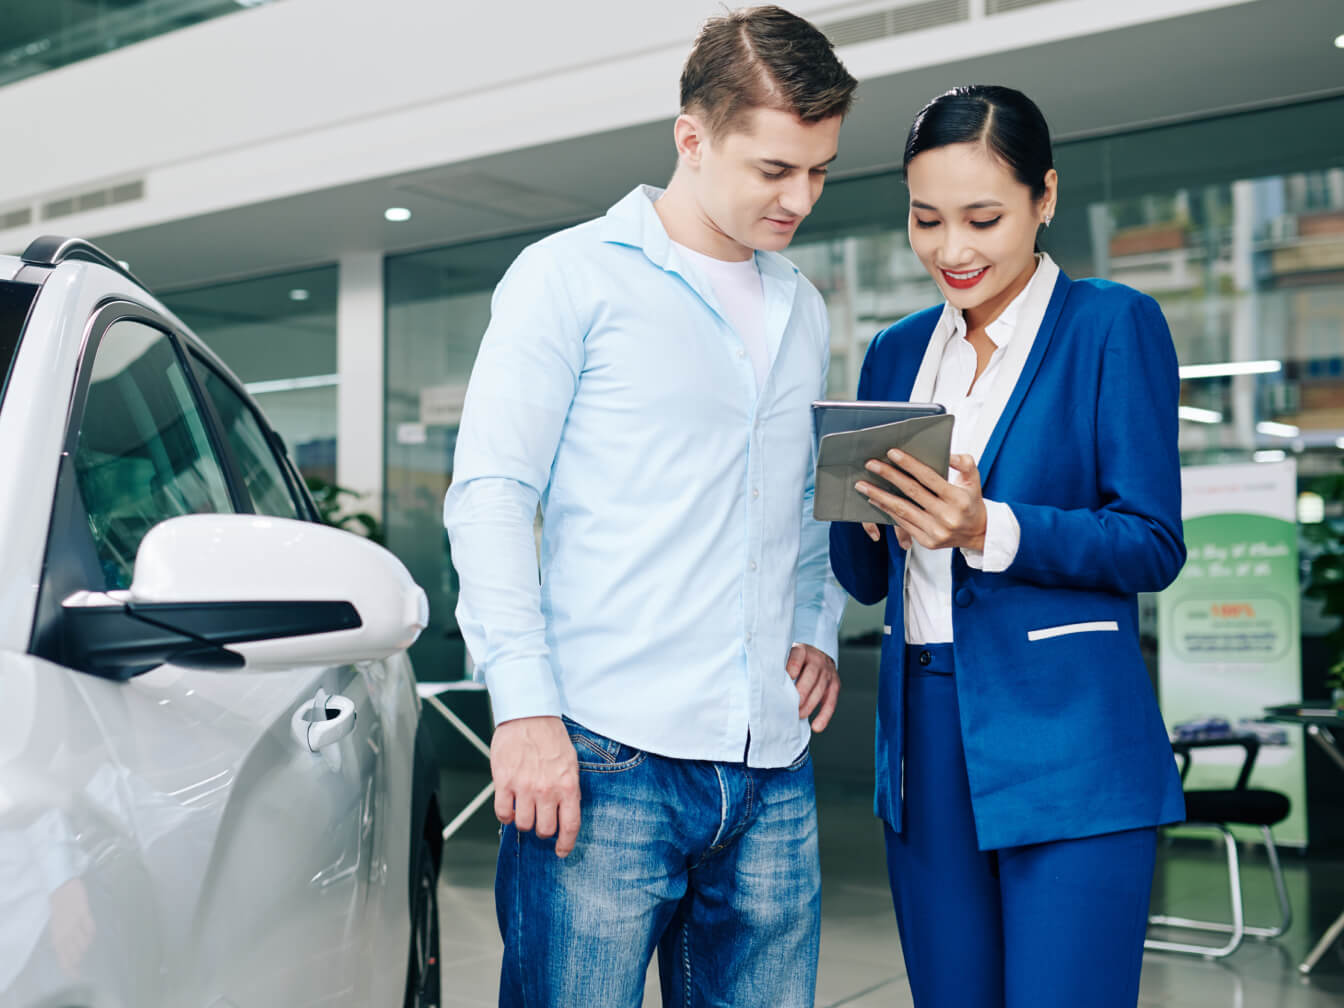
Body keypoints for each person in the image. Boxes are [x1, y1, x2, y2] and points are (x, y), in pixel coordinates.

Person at [442, 7, 856, 1006]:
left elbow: (803, 500)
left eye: (820, 170)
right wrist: (525, 710)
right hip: (602, 752)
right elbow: (494, 496)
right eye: (773, 170)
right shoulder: (568, 277)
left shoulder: (804, 305)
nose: (800, 197)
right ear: (692, 139)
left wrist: (818, 625)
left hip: (771, 762)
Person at [828, 85, 1187, 1008]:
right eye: (926, 219)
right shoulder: (896, 349)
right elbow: (866, 579)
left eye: (983, 218)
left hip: (1071, 734)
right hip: (923, 736)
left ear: (1046, 199)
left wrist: (989, 526)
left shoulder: (1112, 324)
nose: (953, 250)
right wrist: (862, 513)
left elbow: (1150, 542)